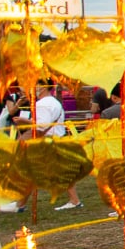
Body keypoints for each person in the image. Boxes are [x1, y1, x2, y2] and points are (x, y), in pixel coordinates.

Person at [33, 82, 85, 210]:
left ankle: (19, 204)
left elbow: (41, 127)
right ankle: (74, 200)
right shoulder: (54, 102)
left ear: (43, 87)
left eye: (36, 85)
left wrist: (24, 122)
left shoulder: (42, 104)